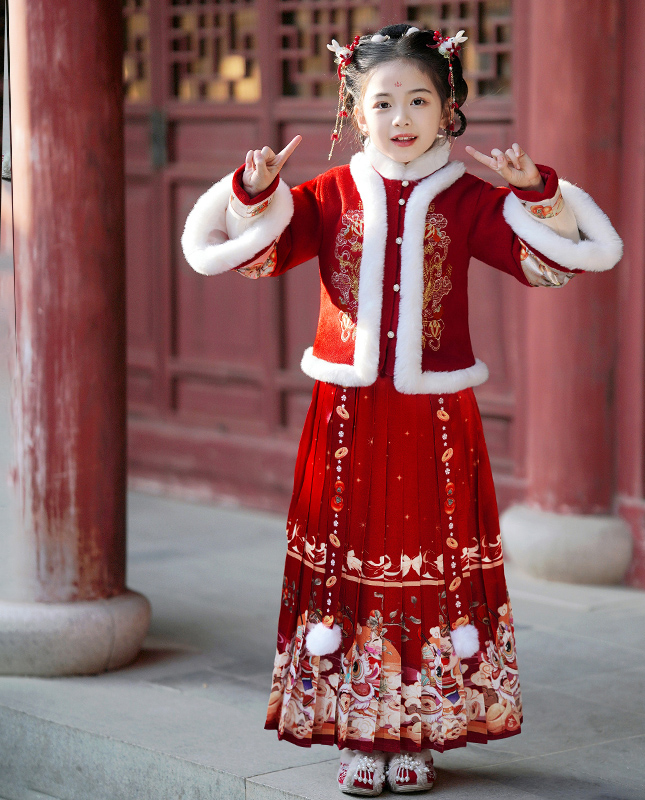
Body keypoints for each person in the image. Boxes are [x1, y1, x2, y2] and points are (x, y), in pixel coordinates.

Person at [182, 23, 622, 795]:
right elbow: (252, 252)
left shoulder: (469, 202)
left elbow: (556, 263)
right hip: (347, 419)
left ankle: (417, 728)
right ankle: (359, 732)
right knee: (348, 567)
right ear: (353, 111)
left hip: (435, 421)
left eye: (420, 98)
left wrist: (537, 193)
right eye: (383, 101)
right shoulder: (327, 195)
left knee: (431, 565)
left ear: (450, 107)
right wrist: (251, 192)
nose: (402, 117)